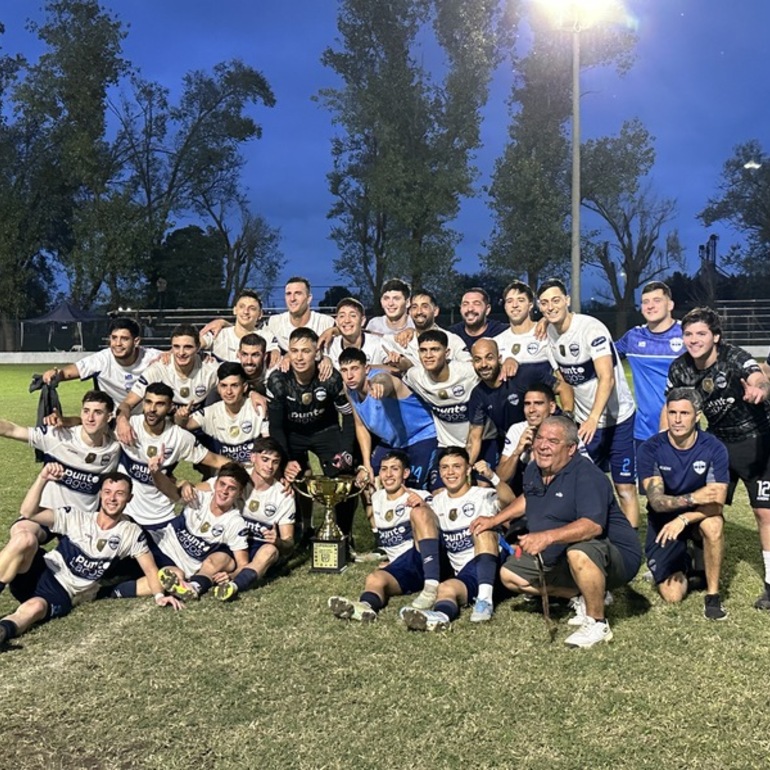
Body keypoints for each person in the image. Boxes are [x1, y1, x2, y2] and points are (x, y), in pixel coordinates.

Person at [484, 416, 641, 648]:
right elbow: (529, 497)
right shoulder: (534, 470)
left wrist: (546, 537)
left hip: (614, 554)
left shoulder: (587, 476)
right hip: (562, 552)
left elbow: (592, 526)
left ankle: (597, 622)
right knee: (510, 574)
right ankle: (578, 595)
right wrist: (494, 519)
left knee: (579, 552)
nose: (543, 446)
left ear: (571, 449)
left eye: (553, 441)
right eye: (540, 438)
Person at [0, 465, 180, 648]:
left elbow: (149, 569)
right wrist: (43, 478)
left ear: (129, 498)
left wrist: (159, 596)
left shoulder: (130, 533)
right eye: (108, 492)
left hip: (63, 592)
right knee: (25, 539)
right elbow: (29, 513)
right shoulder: (77, 518)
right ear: (100, 494)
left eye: (119, 493)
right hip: (43, 570)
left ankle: (2, 632)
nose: (112, 498)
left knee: (34, 609)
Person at [665, 306, 770, 609]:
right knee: (705, 504)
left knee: (764, 512)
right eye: (688, 334)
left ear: (716, 337)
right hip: (718, 443)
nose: (694, 339)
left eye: (701, 333)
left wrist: (758, 389)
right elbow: (674, 407)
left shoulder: (733, 356)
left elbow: (758, 376)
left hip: (757, 440)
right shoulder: (679, 369)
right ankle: (699, 571)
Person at [536, 278, 639, 527]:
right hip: (584, 424)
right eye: (545, 303)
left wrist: (594, 417)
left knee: (624, 486)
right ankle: (595, 533)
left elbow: (607, 379)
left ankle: (630, 546)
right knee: (580, 482)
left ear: (568, 300)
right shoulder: (548, 332)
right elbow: (564, 381)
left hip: (618, 419)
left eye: (556, 300)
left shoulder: (591, 329)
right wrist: (572, 415)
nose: (551, 307)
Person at [399, 446, 514, 631]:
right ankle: (439, 616)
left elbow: (510, 501)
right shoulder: (437, 501)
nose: (450, 472)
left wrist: (493, 477)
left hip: (491, 565)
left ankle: (485, 601)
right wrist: (421, 509)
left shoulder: (482, 495)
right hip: (464, 571)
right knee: (446, 589)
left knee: (481, 527)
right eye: (444, 467)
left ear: (468, 469)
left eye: (456, 466)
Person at [638, 388, 729, 619]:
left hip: (698, 515)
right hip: (664, 519)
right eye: (672, 412)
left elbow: (716, 503)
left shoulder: (714, 448)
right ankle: (687, 559)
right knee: (673, 595)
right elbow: (657, 502)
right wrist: (692, 498)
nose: (677, 420)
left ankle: (713, 597)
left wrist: (685, 517)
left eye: (685, 413)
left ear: (697, 416)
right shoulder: (651, 449)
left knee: (714, 525)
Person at [267, 327, 357, 542]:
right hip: (292, 434)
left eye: (306, 351)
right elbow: (276, 427)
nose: (299, 357)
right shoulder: (278, 381)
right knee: (288, 476)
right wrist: (286, 460)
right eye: (294, 351)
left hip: (325, 430)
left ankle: (344, 534)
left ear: (317, 352)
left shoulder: (330, 378)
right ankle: (299, 530)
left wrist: (345, 450)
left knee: (343, 475)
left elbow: (349, 415)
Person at [327, 450, 439, 622]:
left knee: (420, 513)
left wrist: (425, 506)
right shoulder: (378, 498)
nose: (388, 474)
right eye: (384, 469)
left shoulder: (419, 496)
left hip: (423, 560)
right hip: (403, 567)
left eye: (394, 469)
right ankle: (365, 607)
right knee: (374, 578)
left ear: (406, 473)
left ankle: (432, 587)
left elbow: (437, 528)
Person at [116, 382, 228, 530]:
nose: (152, 409)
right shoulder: (127, 427)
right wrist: (121, 420)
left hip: (162, 518)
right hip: (125, 514)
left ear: (170, 407)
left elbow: (216, 460)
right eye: (148, 402)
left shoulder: (179, 437)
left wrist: (249, 470)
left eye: (160, 404)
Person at [0, 389, 119, 513]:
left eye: (98, 412)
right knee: (22, 531)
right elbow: (13, 430)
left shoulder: (114, 448)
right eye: (86, 411)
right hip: (47, 516)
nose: (90, 418)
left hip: (82, 523)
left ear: (109, 417)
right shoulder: (58, 436)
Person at [339, 347, 438, 490]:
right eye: (344, 370)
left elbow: (386, 380)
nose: (349, 376)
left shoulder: (380, 380)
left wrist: (380, 386)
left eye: (354, 368)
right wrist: (367, 464)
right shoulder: (349, 389)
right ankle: (375, 511)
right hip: (392, 442)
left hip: (422, 436)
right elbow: (360, 425)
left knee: (416, 488)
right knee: (365, 479)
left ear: (366, 369)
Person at [213, 438, 299, 601]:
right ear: (252, 458)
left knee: (269, 551)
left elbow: (289, 543)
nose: (269, 466)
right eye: (265, 459)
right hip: (234, 544)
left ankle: (233, 585)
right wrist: (185, 485)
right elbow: (209, 488)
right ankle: (195, 584)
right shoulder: (237, 478)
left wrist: (278, 541)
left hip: (260, 548)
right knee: (217, 558)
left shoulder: (283, 495)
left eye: (275, 462)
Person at [402, 331, 495, 464]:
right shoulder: (415, 376)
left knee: (484, 484)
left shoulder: (468, 372)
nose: (428, 355)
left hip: (485, 441)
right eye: (423, 350)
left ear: (447, 353)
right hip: (447, 446)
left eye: (434, 350)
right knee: (442, 485)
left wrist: (510, 362)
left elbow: (493, 371)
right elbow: (397, 380)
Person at [41, 317, 162, 414]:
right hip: (113, 420)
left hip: (147, 419)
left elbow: (178, 351)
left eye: (124, 339)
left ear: (136, 341)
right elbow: (72, 370)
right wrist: (56, 374)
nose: (118, 343)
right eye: (114, 338)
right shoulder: (101, 359)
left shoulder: (151, 357)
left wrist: (169, 354)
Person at [115, 323, 219, 435]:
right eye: (176, 346)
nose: (181, 353)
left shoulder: (210, 368)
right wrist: (122, 421)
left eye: (188, 347)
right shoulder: (158, 369)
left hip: (202, 432)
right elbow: (127, 403)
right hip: (168, 433)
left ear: (198, 347)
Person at [466, 337, 556, 466]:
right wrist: (466, 467)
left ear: (499, 358)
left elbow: (564, 389)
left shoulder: (522, 375)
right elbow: (475, 437)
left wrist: (567, 418)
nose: (484, 364)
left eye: (489, 358)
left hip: (544, 435)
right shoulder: (478, 394)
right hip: (510, 443)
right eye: (478, 360)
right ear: (472, 363)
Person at [615, 281, 684, 444]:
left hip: (681, 430)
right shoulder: (633, 338)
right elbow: (601, 354)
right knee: (646, 471)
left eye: (657, 301)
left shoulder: (687, 335)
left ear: (670, 305)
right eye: (646, 302)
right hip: (643, 432)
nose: (650, 306)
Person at [179, 362, 268, 465]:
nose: (228, 391)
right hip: (224, 475)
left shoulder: (257, 408)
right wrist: (180, 417)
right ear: (218, 388)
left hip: (254, 473)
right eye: (224, 386)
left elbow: (270, 446)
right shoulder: (211, 412)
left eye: (234, 386)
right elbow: (183, 425)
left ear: (244, 387)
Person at [382, 289, 469, 369]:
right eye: (414, 307)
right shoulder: (401, 341)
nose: (419, 311)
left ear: (435, 311)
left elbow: (469, 366)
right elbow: (375, 339)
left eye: (425, 306)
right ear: (410, 312)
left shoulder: (452, 340)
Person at [495, 383, 558, 490]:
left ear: (551, 407)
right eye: (527, 404)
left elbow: (585, 470)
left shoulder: (565, 430)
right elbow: (501, 479)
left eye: (538, 403)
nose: (531, 410)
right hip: (527, 492)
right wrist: (517, 452)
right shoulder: (517, 430)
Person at [495, 280, 555, 389]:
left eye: (521, 300)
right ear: (505, 306)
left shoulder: (546, 333)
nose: (515, 305)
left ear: (530, 305)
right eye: (509, 301)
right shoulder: (497, 342)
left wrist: (547, 320)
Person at [199, 289, 281, 367]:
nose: (246, 312)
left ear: (260, 314)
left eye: (252, 308)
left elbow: (274, 354)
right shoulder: (218, 333)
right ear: (235, 310)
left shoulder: (267, 337)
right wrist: (200, 355)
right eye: (242, 307)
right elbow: (193, 344)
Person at [265, 276, 334, 354]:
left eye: (298, 293)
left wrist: (335, 330)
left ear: (309, 298)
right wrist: (273, 348)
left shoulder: (325, 323)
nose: (292, 299)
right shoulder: (274, 322)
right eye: (288, 294)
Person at [325, 297, 389, 369]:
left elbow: (396, 368)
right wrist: (325, 359)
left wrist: (368, 369)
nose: (347, 320)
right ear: (336, 321)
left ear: (362, 321)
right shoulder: (329, 346)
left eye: (353, 316)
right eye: (342, 316)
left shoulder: (378, 343)